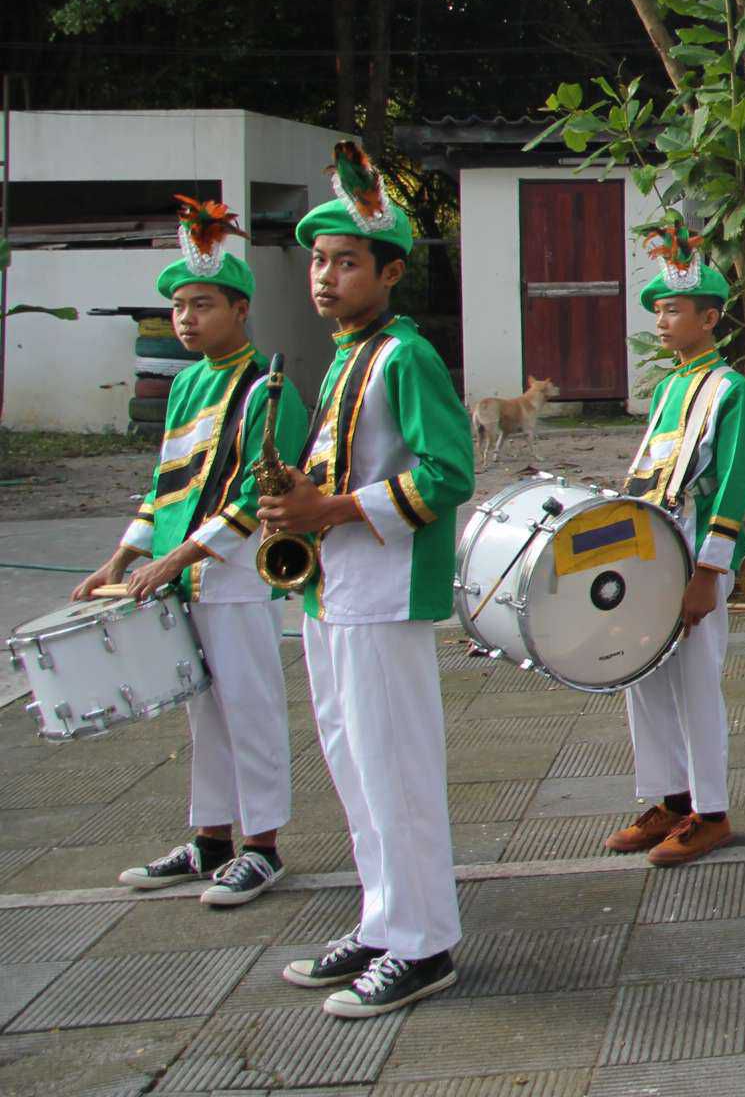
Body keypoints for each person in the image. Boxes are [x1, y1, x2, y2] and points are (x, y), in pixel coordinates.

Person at [260, 145, 473, 1015]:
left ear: (389, 273)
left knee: (396, 772)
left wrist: (331, 509)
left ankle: (425, 944)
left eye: (346, 262)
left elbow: (449, 474)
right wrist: (296, 505)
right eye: (319, 261)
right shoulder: (348, 356)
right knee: (355, 769)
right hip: (334, 590)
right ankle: (385, 921)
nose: (326, 276)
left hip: (384, 593)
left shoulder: (403, 357)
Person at [77, 197, 307, 908]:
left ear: (240, 309)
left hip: (235, 575)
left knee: (250, 707)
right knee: (202, 712)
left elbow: (257, 496)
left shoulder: (268, 388)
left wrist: (176, 560)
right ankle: (210, 840)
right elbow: (166, 483)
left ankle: (262, 847)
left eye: (202, 305)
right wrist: (123, 556)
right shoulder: (184, 385)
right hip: (175, 577)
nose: (185, 318)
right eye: (178, 307)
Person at [604, 222, 745, 867]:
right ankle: (670, 800)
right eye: (659, 311)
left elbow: (734, 484)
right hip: (651, 547)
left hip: (695, 552)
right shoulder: (669, 388)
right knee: (642, 674)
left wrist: (709, 572)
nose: (662, 322)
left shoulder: (732, 390)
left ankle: (711, 812)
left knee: (695, 683)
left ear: (710, 318)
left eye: (673, 311)